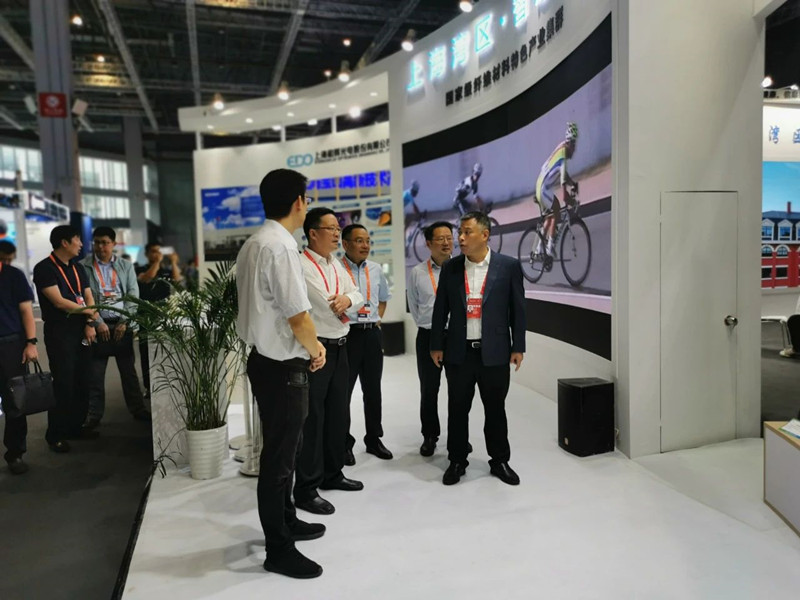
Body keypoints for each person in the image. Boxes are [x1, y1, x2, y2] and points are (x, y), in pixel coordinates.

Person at [236, 168, 327, 580]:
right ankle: (278, 548)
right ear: (298, 202)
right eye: (306, 198)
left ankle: (286, 520)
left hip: (263, 361)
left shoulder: (254, 243)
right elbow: (298, 317)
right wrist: (316, 348)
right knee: (278, 460)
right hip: (282, 366)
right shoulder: (282, 247)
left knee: (284, 450)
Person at [430, 212, 526, 486]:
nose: (460, 238)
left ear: (485, 235)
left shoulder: (508, 266)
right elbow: (441, 309)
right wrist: (436, 344)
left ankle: (500, 460)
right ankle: (457, 460)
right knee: (457, 409)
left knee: (495, 409)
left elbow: (518, 310)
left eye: (467, 232)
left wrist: (518, 346)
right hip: (459, 353)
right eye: (459, 232)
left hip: (495, 352)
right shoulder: (451, 268)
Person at [294, 207, 364, 516]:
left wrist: (348, 299)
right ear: (313, 233)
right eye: (331, 228)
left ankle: (333, 473)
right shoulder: (301, 265)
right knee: (313, 419)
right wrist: (344, 300)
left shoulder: (335, 263)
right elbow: (325, 304)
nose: (337, 233)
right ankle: (307, 488)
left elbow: (356, 295)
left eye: (338, 228)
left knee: (339, 413)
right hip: (317, 349)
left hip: (342, 346)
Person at [33, 225, 100, 453]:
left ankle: (75, 427)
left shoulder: (78, 267)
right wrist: (90, 313)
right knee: (63, 383)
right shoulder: (44, 268)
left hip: (82, 329)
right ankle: (56, 434)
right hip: (60, 332)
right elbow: (59, 302)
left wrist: (90, 322)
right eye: (77, 240)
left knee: (83, 380)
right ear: (64, 242)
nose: (81, 244)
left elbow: (88, 296)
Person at [80, 227, 150, 428]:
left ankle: (138, 409)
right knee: (95, 374)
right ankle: (94, 415)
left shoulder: (125, 266)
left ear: (113, 244)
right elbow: (83, 297)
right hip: (98, 326)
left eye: (105, 242)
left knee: (129, 373)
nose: (100, 246)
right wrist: (97, 322)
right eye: (97, 242)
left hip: (121, 325)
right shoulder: (83, 266)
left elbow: (133, 294)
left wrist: (124, 322)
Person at [341, 224, 393, 464]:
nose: (365, 246)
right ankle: (344, 443)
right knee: (343, 393)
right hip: (347, 336)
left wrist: (376, 319)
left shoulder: (375, 269)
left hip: (372, 335)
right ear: (345, 244)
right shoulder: (337, 269)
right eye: (359, 241)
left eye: (367, 241)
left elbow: (383, 299)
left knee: (373, 390)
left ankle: (374, 439)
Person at [406, 221, 453, 457]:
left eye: (449, 238)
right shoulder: (417, 273)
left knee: (459, 390)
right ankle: (430, 435)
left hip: (456, 336)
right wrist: (430, 327)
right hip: (427, 335)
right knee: (429, 389)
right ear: (428, 243)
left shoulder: (461, 269)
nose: (446, 243)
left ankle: (458, 436)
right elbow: (414, 307)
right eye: (440, 239)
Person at [0, 241, 38, 474]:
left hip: (10, 345)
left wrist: (31, 343)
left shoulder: (14, 276)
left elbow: (26, 311)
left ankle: (15, 453)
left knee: (15, 401)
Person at [136, 242, 182, 398]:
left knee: (164, 350)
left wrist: (174, 262)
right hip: (145, 317)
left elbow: (177, 281)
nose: (157, 254)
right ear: (147, 254)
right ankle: (149, 387)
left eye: (159, 251)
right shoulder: (140, 269)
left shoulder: (165, 271)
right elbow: (146, 279)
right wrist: (157, 262)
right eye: (153, 251)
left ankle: (165, 384)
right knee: (146, 353)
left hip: (163, 316)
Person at [535, 122, 579, 261]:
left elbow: (563, 174)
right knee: (556, 211)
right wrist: (571, 200)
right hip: (543, 188)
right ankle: (550, 247)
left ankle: (538, 250)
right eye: (574, 145)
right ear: (570, 144)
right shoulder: (563, 154)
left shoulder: (562, 149)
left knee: (549, 218)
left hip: (541, 186)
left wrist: (573, 183)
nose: (575, 149)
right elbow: (564, 192)